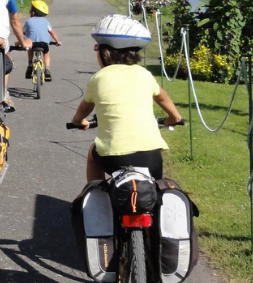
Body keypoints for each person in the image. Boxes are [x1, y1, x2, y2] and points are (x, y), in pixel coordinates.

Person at [70, 14, 182, 182]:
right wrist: (174, 118)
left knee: (92, 155)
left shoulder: (99, 78)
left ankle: (95, 195)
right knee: (155, 188)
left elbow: (84, 108)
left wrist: (79, 121)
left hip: (113, 157)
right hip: (151, 157)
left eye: (97, 48)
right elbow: (163, 98)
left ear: (105, 52)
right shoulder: (144, 74)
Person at [22, 0, 62, 81]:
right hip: (43, 44)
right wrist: (57, 41)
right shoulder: (46, 21)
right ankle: (47, 69)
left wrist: (22, 41)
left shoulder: (28, 21)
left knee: (29, 49)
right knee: (46, 53)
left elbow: (23, 32)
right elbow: (52, 32)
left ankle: (30, 64)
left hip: (32, 44)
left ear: (33, 12)